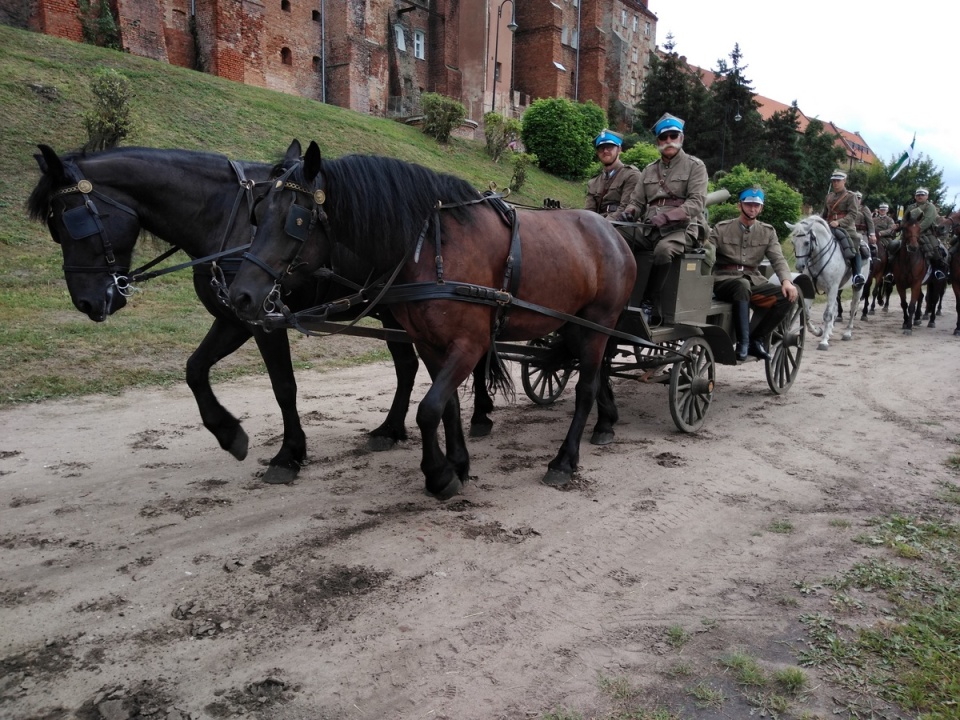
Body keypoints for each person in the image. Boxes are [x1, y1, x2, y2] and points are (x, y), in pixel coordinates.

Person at [620, 113, 708, 321]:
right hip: (649, 229)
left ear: (681, 138)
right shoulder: (649, 170)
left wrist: (668, 218)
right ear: (658, 141)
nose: (668, 140)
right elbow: (637, 202)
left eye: (673, 135)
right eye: (663, 137)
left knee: (663, 251)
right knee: (615, 237)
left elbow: (696, 203)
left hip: (681, 230)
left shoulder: (696, 166)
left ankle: (650, 303)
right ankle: (617, 296)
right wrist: (629, 213)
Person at [711, 187, 799, 361]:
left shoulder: (767, 232)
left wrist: (787, 281)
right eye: (748, 204)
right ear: (740, 206)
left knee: (788, 296)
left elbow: (778, 259)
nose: (752, 209)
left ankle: (755, 339)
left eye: (756, 206)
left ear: (761, 208)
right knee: (741, 285)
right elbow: (709, 253)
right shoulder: (722, 229)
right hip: (724, 280)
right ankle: (742, 343)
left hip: (754, 281)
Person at [820, 170, 865, 289]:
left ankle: (857, 275)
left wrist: (839, 223)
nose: (835, 183)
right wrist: (818, 222)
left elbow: (853, 214)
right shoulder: (829, 196)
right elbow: (824, 214)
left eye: (838, 181)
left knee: (854, 241)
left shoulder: (851, 196)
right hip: (828, 226)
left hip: (846, 227)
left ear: (844, 181)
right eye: (833, 181)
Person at [585, 129, 640, 219]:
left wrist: (601, 225)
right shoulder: (593, 182)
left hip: (624, 225)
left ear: (619, 149)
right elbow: (588, 212)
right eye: (601, 148)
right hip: (598, 224)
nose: (605, 151)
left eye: (609, 147)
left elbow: (625, 209)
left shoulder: (631, 175)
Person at [901, 188, 947, 279]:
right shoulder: (910, 207)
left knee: (935, 249)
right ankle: (890, 271)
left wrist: (916, 230)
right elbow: (904, 219)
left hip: (927, 233)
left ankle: (937, 271)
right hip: (910, 233)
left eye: (922, 195)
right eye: (918, 195)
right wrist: (901, 226)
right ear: (915, 196)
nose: (920, 196)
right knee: (895, 247)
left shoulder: (930, 207)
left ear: (927, 196)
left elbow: (927, 221)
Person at [874, 202, 898, 282]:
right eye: (881, 209)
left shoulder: (890, 219)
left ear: (887, 210)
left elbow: (890, 229)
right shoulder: (874, 219)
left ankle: (889, 272)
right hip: (874, 237)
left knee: (891, 251)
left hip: (885, 238)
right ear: (879, 210)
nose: (882, 211)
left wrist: (881, 233)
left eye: (884, 209)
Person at [854, 191, 877, 259]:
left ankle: (869, 263)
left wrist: (872, 234)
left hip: (861, 233)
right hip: (848, 232)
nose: (857, 200)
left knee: (864, 249)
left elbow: (870, 222)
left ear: (860, 199)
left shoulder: (864, 209)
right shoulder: (848, 208)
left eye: (858, 198)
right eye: (855, 198)